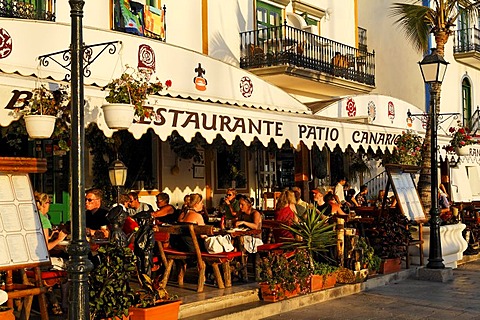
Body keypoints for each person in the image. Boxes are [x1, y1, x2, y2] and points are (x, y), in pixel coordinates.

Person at [34, 192, 68, 316]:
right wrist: (59, 239)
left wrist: (51, 236)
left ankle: (54, 302)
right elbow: (45, 247)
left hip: (28, 261)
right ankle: (61, 304)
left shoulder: (32, 216)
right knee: (67, 266)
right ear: (44, 204)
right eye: (49, 202)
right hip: (40, 262)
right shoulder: (43, 219)